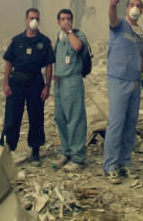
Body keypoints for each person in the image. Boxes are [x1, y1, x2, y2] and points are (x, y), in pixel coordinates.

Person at [1, 8, 54, 163]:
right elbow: (8, 62)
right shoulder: (16, 40)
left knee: (36, 116)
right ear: (25, 20)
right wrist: (5, 84)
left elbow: (49, 65)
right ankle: (9, 148)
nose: (34, 21)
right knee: (12, 116)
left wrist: (47, 86)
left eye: (37, 18)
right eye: (31, 17)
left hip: (35, 82)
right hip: (16, 82)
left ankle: (35, 150)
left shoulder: (44, 42)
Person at [103, 0, 143, 184]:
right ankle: (110, 166)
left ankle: (125, 162)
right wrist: (113, 5)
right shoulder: (119, 25)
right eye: (132, 5)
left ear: (142, 11)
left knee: (130, 125)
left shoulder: (139, 32)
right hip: (119, 80)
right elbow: (112, 18)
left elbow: (140, 55)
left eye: (138, 5)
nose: (135, 8)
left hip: (135, 82)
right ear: (127, 9)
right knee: (116, 124)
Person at [52, 9, 89, 172]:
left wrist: (69, 31)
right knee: (61, 118)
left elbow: (77, 47)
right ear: (58, 22)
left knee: (75, 118)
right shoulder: (59, 39)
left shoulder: (78, 36)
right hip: (59, 82)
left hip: (72, 81)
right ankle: (65, 151)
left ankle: (78, 156)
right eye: (62, 19)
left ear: (72, 21)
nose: (65, 21)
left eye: (68, 19)